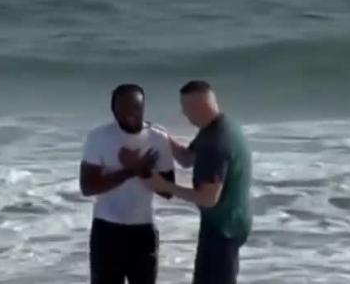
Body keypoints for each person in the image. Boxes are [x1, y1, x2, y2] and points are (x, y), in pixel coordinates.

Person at [145, 80, 252, 284]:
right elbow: (187, 159)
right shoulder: (217, 126)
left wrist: (164, 186)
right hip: (230, 220)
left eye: (186, 108)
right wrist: (163, 137)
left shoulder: (216, 143)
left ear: (199, 107)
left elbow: (208, 198)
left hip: (224, 228)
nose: (184, 114)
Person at [80, 84, 176, 284]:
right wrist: (130, 171)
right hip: (106, 230)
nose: (130, 114)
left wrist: (142, 170)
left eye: (136, 108)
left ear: (143, 107)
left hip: (143, 230)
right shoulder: (98, 137)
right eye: (122, 110)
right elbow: (88, 187)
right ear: (113, 110)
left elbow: (168, 191)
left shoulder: (158, 139)